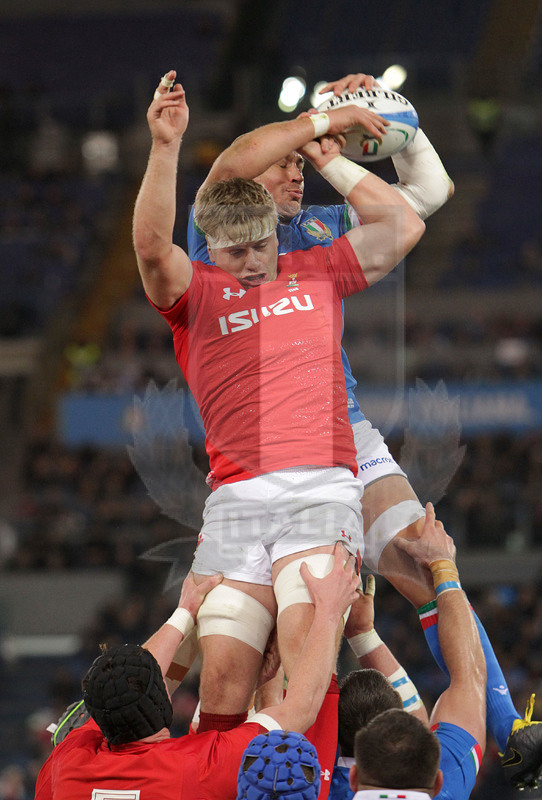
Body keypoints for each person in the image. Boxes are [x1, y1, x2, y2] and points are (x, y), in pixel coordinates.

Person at [133, 70, 425, 730]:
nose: (253, 262)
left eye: (262, 244)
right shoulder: (195, 295)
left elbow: (402, 221)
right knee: (224, 687)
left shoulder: (316, 269)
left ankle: (303, 773)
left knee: (301, 664)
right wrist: (165, 146)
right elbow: (151, 248)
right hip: (236, 500)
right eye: (235, 250)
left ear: (275, 232)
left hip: (321, 492)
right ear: (211, 246)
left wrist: (333, 162)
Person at [34, 545, 360, 800]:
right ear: (164, 703)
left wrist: (186, 611)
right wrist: (329, 611)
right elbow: (301, 707)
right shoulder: (198, 766)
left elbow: (135, 684)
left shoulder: (65, 765)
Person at [331, 504, 542, 796]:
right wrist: (441, 562)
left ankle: (508, 726)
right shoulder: (307, 777)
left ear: (355, 776)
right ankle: (508, 726)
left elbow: (463, 681)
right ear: (435, 780)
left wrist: (356, 631)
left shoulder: (304, 778)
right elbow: (469, 672)